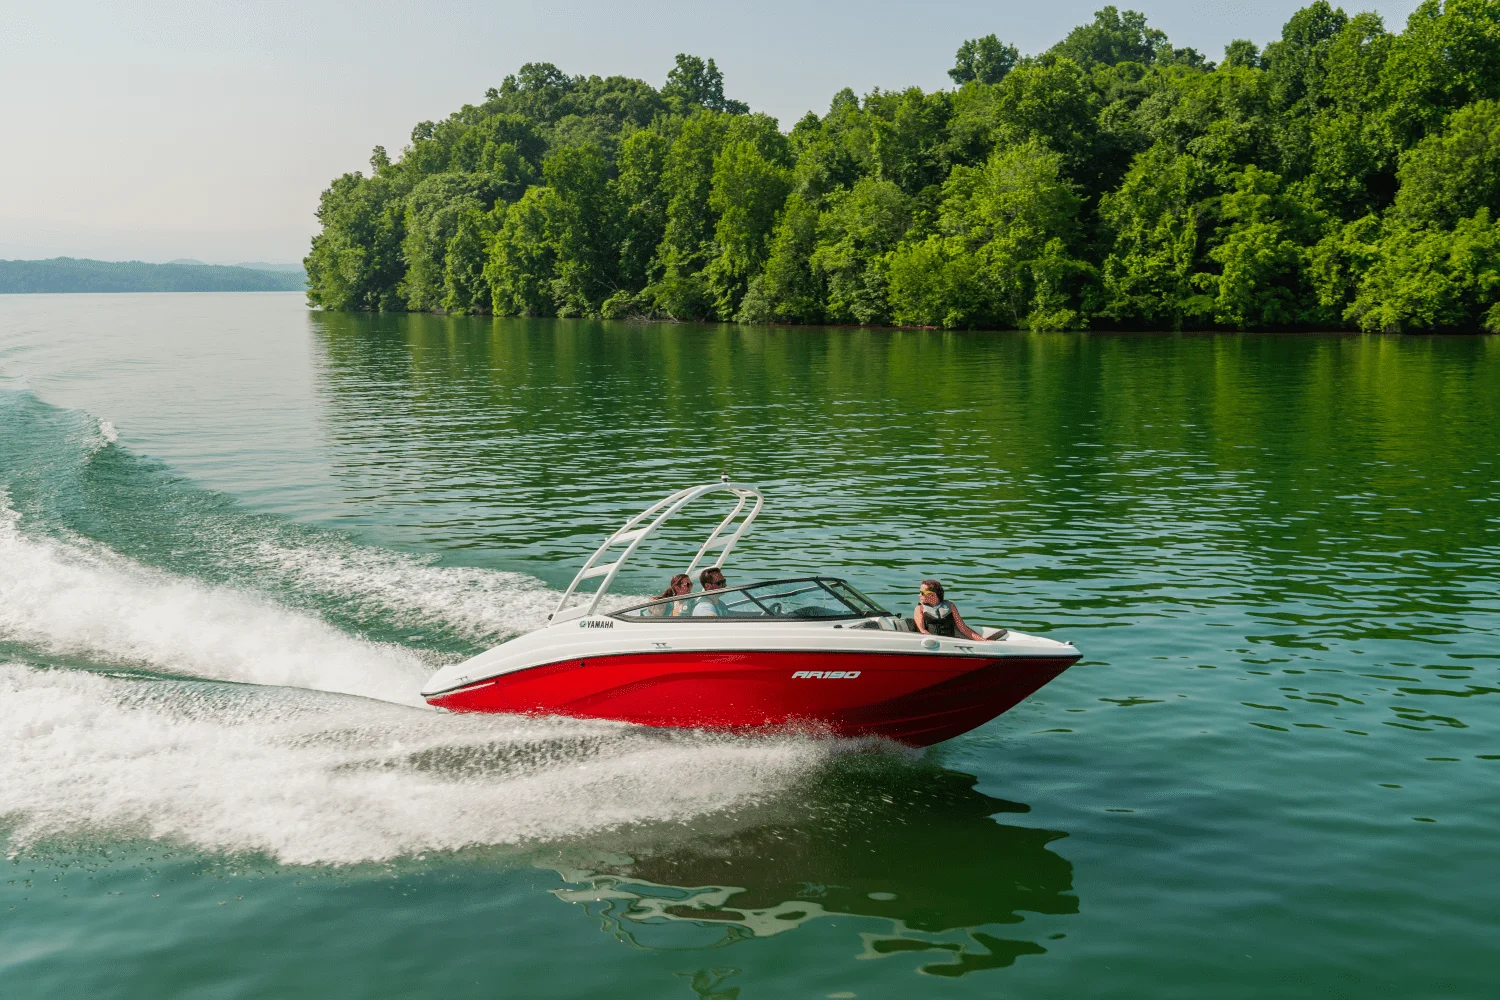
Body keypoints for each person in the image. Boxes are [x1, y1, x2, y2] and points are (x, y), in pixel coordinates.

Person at [913, 579, 989, 640]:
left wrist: (983, 641)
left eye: (922, 593)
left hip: (951, 642)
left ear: (933, 594)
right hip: (932, 644)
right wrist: (938, 641)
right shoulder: (920, 608)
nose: (919, 595)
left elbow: (963, 628)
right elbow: (922, 630)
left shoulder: (950, 606)